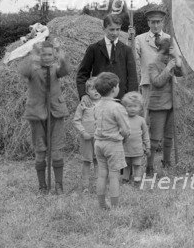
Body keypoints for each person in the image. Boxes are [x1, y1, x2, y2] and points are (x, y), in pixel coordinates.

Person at [19, 39, 69, 194]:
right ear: (38, 55)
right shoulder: (32, 69)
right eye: (43, 54)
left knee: (57, 150)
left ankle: (59, 185)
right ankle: (42, 186)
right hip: (37, 115)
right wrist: (31, 53)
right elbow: (23, 70)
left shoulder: (56, 69)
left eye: (49, 54)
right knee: (40, 151)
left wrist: (60, 51)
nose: (46, 57)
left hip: (56, 113)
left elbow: (66, 69)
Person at [76, 14, 138, 100]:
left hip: (121, 99)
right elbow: (82, 74)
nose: (115, 33)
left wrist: (132, 97)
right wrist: (83, 94)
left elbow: (132, 77)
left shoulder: (126, 50)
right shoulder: (94, 49)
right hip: (99, 100)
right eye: (111, 29)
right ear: (104, 29)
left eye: (118, 29)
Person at [93, 72, 130, 210]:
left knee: (102, 174)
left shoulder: (96, 105)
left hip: (98, 143)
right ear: (114, 88)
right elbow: (125, 129)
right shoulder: (117, 107)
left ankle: (102, 205)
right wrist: (125, 138)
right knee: (114, 176)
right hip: (113, 144)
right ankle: (115, 207)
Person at [147, 37, 184, 173]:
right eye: (164, 54)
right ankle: (149, 166)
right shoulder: (153, 64)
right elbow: (157, 82)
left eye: (169, 55)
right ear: (158, 51)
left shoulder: (173, 62)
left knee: (169, 136)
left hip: (173, 103)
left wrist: (176, 58)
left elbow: (182, 73)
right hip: (158, 105)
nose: (166, 57)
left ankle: (166, 162)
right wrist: (168, 68)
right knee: (155, 138)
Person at [134, 6, 178, 118]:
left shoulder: (170, 38)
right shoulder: (139, 39)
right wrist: (130, 39)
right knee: (147, 115)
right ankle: (147, 135)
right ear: (148, 23)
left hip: (168, 83)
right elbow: (132, 57)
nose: (156, 25)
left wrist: (174, 54)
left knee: (167, 115)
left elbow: (178, 61)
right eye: (153, 22)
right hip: (148, 83)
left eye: (158, 22)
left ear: (163, 22)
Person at [72, 77, 99, 193]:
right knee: (87, 161)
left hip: (100, 138)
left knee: (99, 161)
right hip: (87, 138)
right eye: (93, 89)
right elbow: (76, 120)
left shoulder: (105, 104)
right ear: (87, 92)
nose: (96, 91)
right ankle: (85, 186)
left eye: (98, 88)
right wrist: (83, 132)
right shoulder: (83, 104)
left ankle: (99, 184)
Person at [121, 92, 150, 186]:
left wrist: (147, 146)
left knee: (137, 166)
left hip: (137, 149)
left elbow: (145, 134)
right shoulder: (122, 119)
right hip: (125, 149)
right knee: (126, 165)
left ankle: (137, 180)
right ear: (125, 107)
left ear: (140, 107)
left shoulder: (141, 120)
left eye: (135, 106)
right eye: (129, 106)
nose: (132, 108)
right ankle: (125, 180)